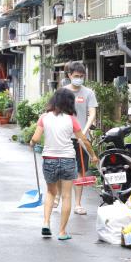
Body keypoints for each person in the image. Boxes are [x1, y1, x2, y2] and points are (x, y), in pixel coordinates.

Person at [30, 89, 98, 240]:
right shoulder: (71, 119)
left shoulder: (44, 117)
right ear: (69, 103)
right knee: (67, 196)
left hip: (50, 159)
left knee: (51, 193)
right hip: (67, 159)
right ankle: (62, 232)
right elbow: (83, 140)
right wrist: (93, 155)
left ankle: (46, 223)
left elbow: (35, 138)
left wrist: (32, 143)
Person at [56, 61, 98, 215]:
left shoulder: (88, 93)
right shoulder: (62, 92)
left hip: (81, 138)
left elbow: (92, 113)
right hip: (64, 137)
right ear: (69, 76)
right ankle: (58, 197)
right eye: (76, 76)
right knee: (62, 169)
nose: (79, 79)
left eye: (81, 76)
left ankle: (78, 204)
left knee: (80, 171)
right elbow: (56, 112)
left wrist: (83, 132)